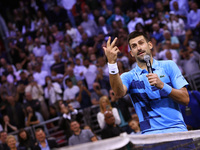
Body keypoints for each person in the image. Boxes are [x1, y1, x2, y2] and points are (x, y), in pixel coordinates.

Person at [103, 31, 190, 135]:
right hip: (150, 137)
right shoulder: (128, 76)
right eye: (134, 46)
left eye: (141, 43)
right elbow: (118, 93)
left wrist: (162, 85)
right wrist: (112, 64)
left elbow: (185, 99)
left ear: (150, 45)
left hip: (177, 131)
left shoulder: (169, 66)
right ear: (131, 53)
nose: (139, 48)